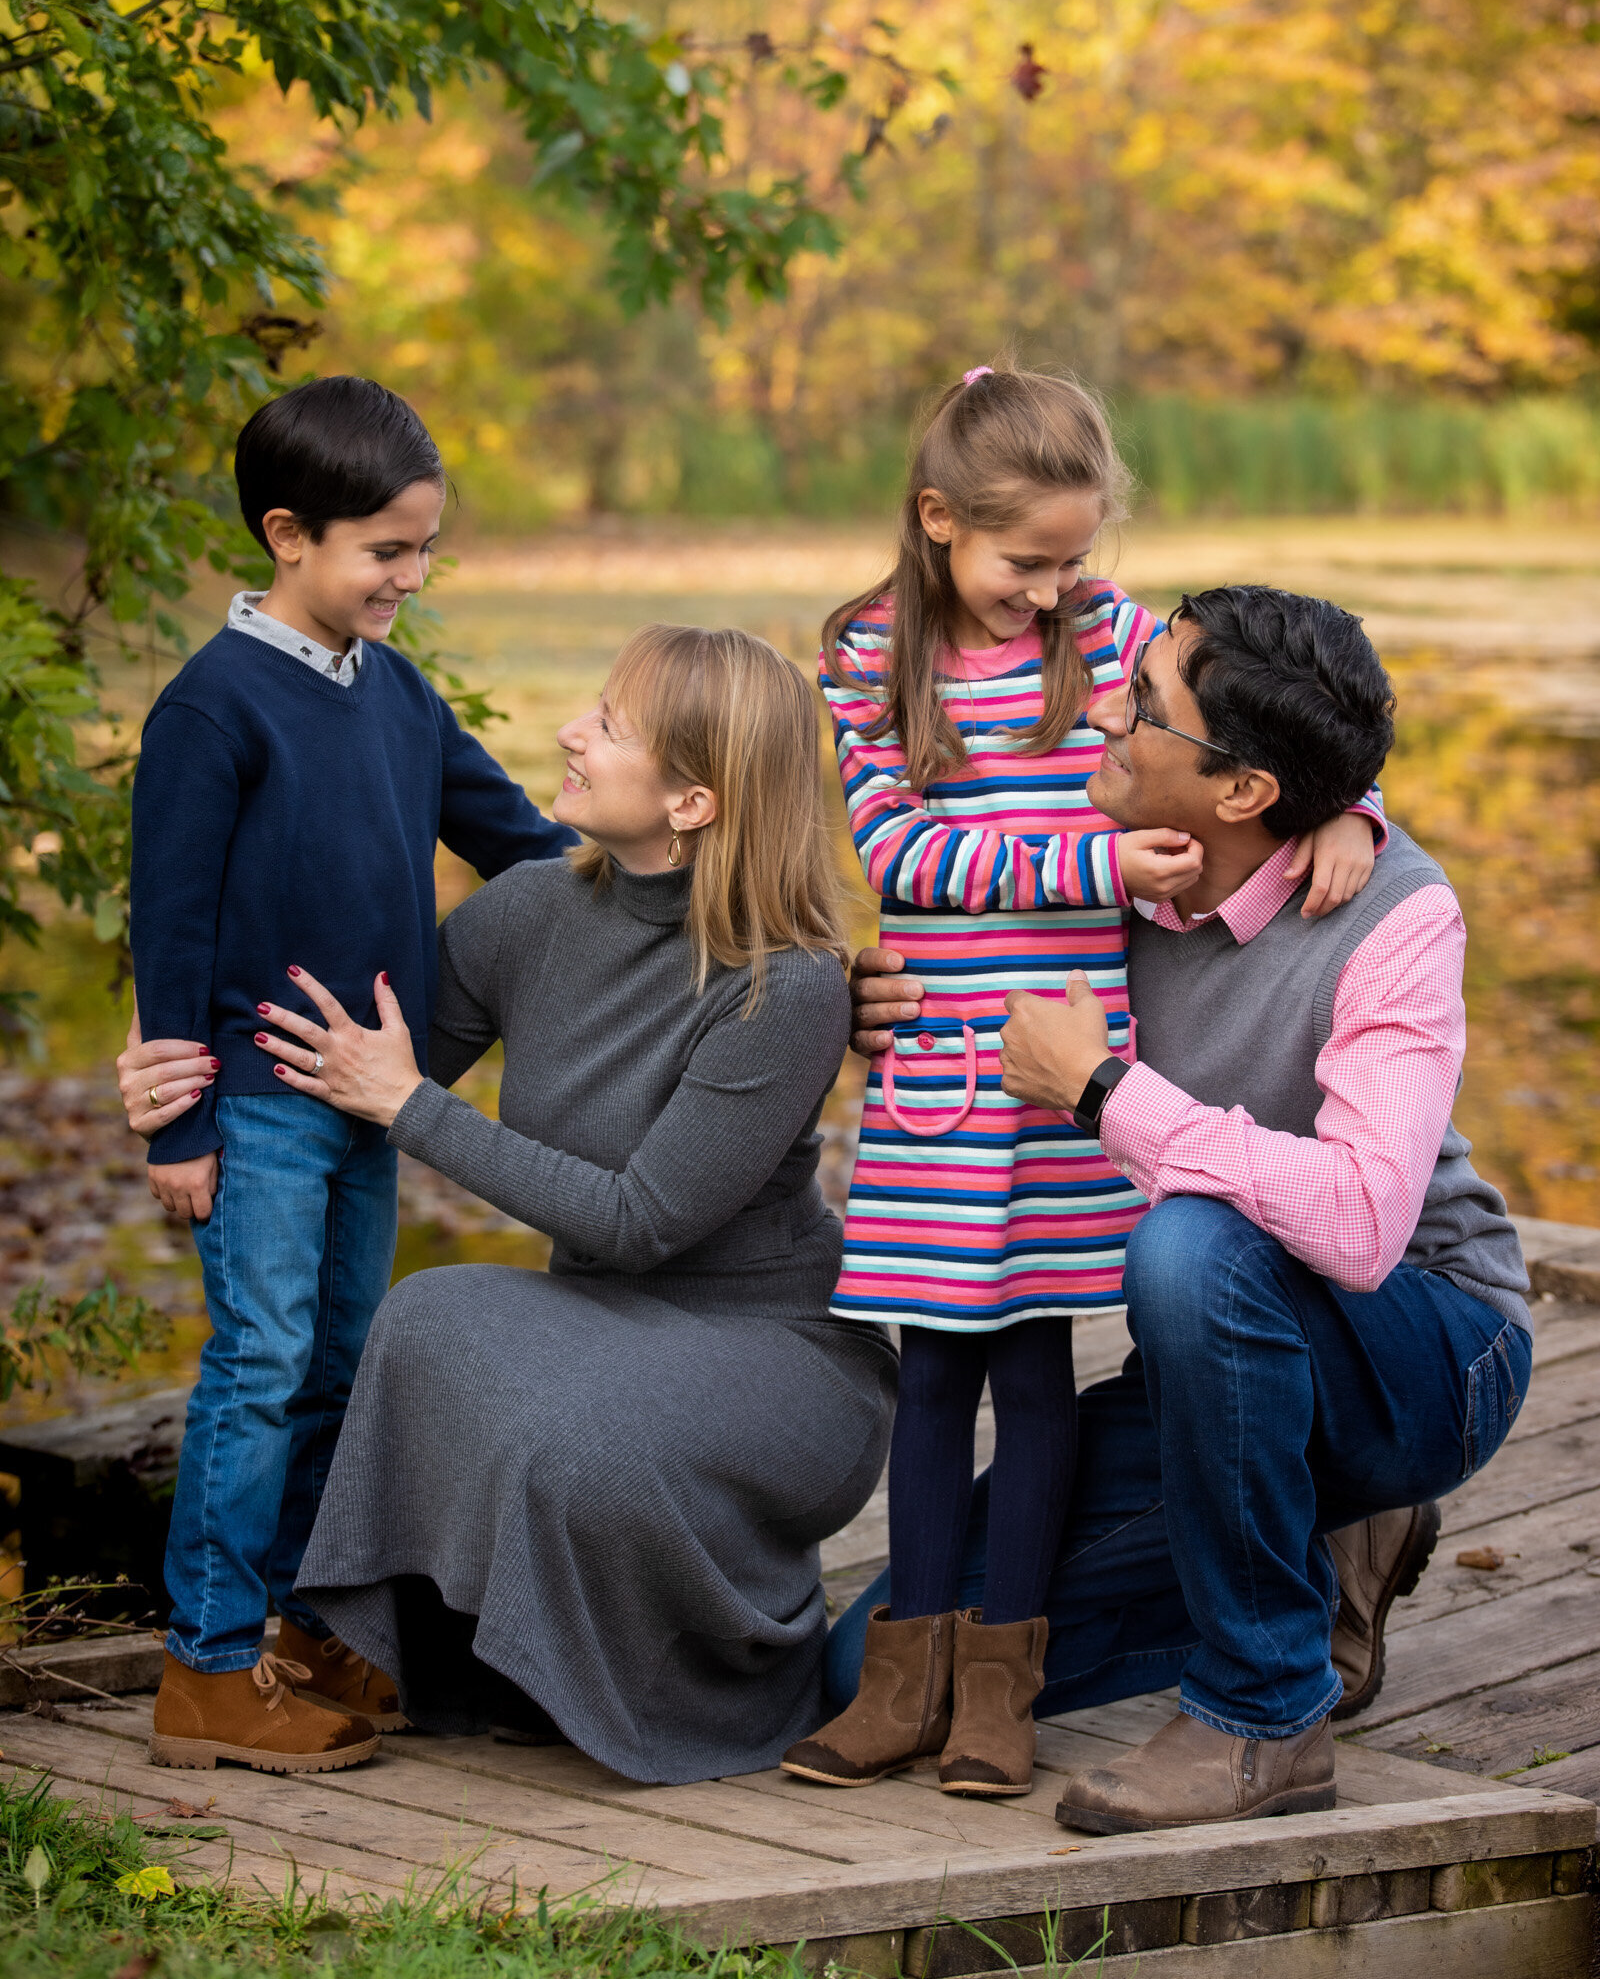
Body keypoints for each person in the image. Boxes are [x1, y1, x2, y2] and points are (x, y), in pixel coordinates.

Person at [838, 584, 1530, 1833]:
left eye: (1142, 700)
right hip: (1224, 1365)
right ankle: (1322, 1570)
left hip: (1425, 1339)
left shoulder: (1396, 914)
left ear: (1241, 793)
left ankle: (1261, 1713)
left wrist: (1105, 1090)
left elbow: (1367, 1224)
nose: (1101, 707)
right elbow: (941, 896)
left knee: (1192, 1241)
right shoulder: (1097, 874)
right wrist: (870, 1005)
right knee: (868, 1665)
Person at [783, 365, 1382, 1800]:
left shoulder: (1112, 635)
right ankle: (903, 1680)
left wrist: (1353, 806)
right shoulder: (867, 656)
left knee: (1039, 1372)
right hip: (939, 1065)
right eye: (1023, 561)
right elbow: (900, 861)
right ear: (936, 521)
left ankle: (1005, 1686)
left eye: (1072, 561)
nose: (1050, 592)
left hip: (1072, 1065)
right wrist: (1095, 865)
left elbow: (1255, 735)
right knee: (930, 1376)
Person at [247, 624, 896, 1786]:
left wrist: (411, 1109)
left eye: (610, 723)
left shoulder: (787, 983)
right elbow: (361, 1066)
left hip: (775, 1354)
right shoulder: (534, 909)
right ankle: (405, 1651)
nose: (570, 732)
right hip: (602, 1325)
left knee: (574, 1437)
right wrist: (188, 1086)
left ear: (692, 800)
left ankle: (707, 1677)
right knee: (428, 1314)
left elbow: (639, 1218)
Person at [118, 377, 573, 1774]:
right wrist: (181, 1121)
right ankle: (205, 1664)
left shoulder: (399, 697)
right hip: (256, 1103)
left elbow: (523, 840)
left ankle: (306, 1637)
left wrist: (664, 882)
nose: (410, 577)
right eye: (386, 551)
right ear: (287, 535)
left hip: (366, 1100)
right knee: (255, 1368)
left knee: (331, 1364)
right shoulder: (213, 710)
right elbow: (171, 923)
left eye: (425, 549)